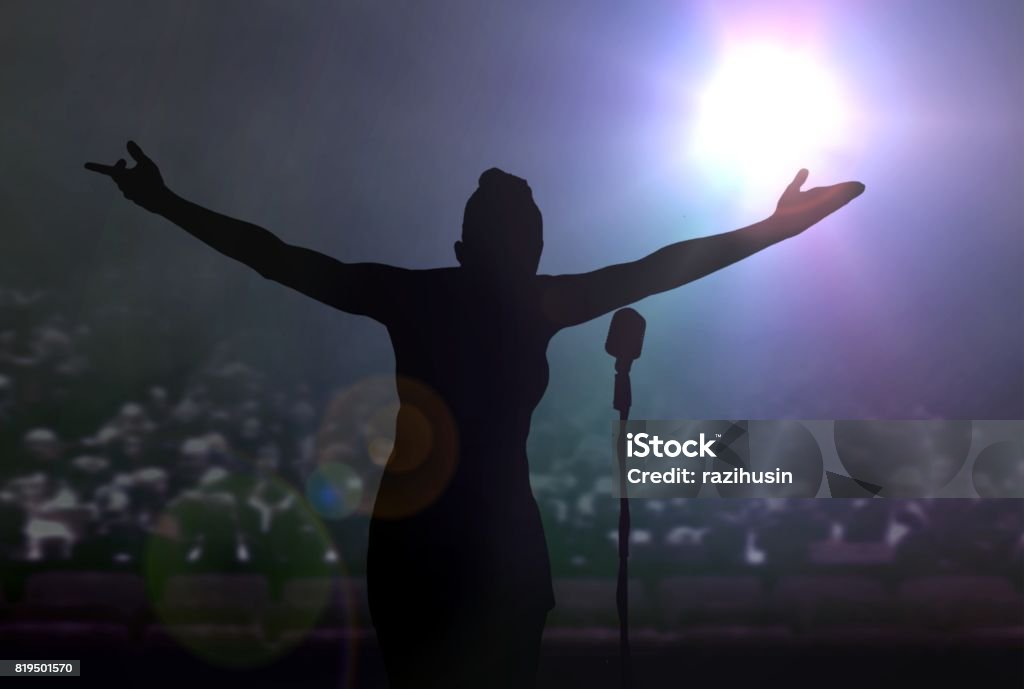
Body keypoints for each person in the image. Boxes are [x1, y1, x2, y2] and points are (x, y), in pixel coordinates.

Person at [86, 141, 864, 688]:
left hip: (420, 535)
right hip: (490, 539)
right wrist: (776, 226)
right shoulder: (541, 300)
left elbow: (276, 255)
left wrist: (165, 202)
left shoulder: (421, 294)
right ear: (527, 247)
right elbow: (663, 267)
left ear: (463, 246)